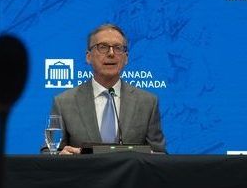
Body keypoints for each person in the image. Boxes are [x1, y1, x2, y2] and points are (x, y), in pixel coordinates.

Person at [48, 23, 166, 154]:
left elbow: (160, 155)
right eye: (102, 47)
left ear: (126, 58)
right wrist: (60, 156)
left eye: (118, 48)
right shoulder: (64, 102)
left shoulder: (148, 102)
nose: (111, 53)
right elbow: (49, 151)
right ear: (88, 57)